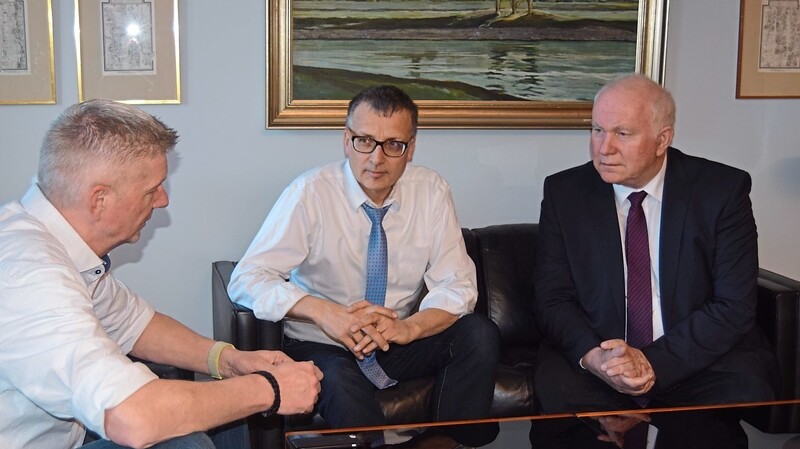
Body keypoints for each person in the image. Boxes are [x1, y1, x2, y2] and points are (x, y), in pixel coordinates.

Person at [0, 99, 322, 449]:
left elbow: (137, 325)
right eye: (152, 189)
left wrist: (231, 361)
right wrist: (271, 390)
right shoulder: (29, 276)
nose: (163, 200)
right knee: (187, 441)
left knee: (224, 413)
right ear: (99, 200)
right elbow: (131, 418)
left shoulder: (62, 249)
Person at [228, 85, 500, 448]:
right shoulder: (310, 193)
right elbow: (246, 279)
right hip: (323, 344)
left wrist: (408, 328)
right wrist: (326, 313)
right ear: (346, 140)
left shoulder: (431, 191)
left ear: (411, 148)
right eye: (364, 141)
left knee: (478, 333)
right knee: (340, 385)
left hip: (395, 340)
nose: (376, 158)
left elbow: (459, 284)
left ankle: (450, 442)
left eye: (393, 145)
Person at [531, 74, 779, 447]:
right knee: (557, 399)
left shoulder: (720, 191)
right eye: (597, 130)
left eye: (623, 134)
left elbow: (733, 306)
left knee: (727, 405)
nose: (604, 148)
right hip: (600, 360)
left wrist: (653, 363)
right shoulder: (565, 193)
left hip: (695, 360)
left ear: (663, 139)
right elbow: (552, 298)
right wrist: (597, 358)